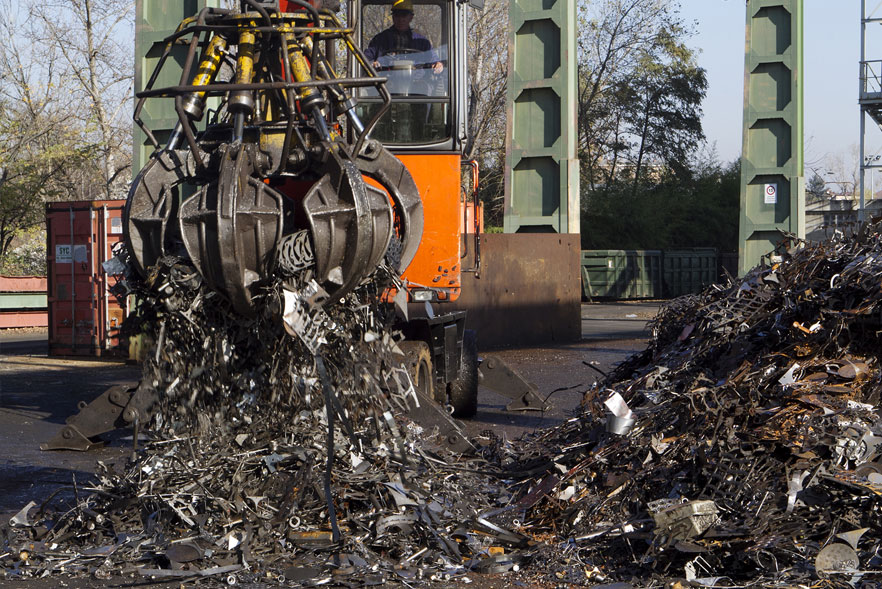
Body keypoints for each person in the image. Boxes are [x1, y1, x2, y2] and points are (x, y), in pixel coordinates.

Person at [364, 0, 444, 74]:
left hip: (418, 84)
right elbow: (365, 59)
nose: (400, 19)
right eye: (397, 15)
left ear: (411, 17)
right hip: (386, 84)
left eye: (404, 15)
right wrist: (372, 64)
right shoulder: (379, 40)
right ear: (393, 17)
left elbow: (434, 60)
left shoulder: (422, 42)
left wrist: (438, 65)